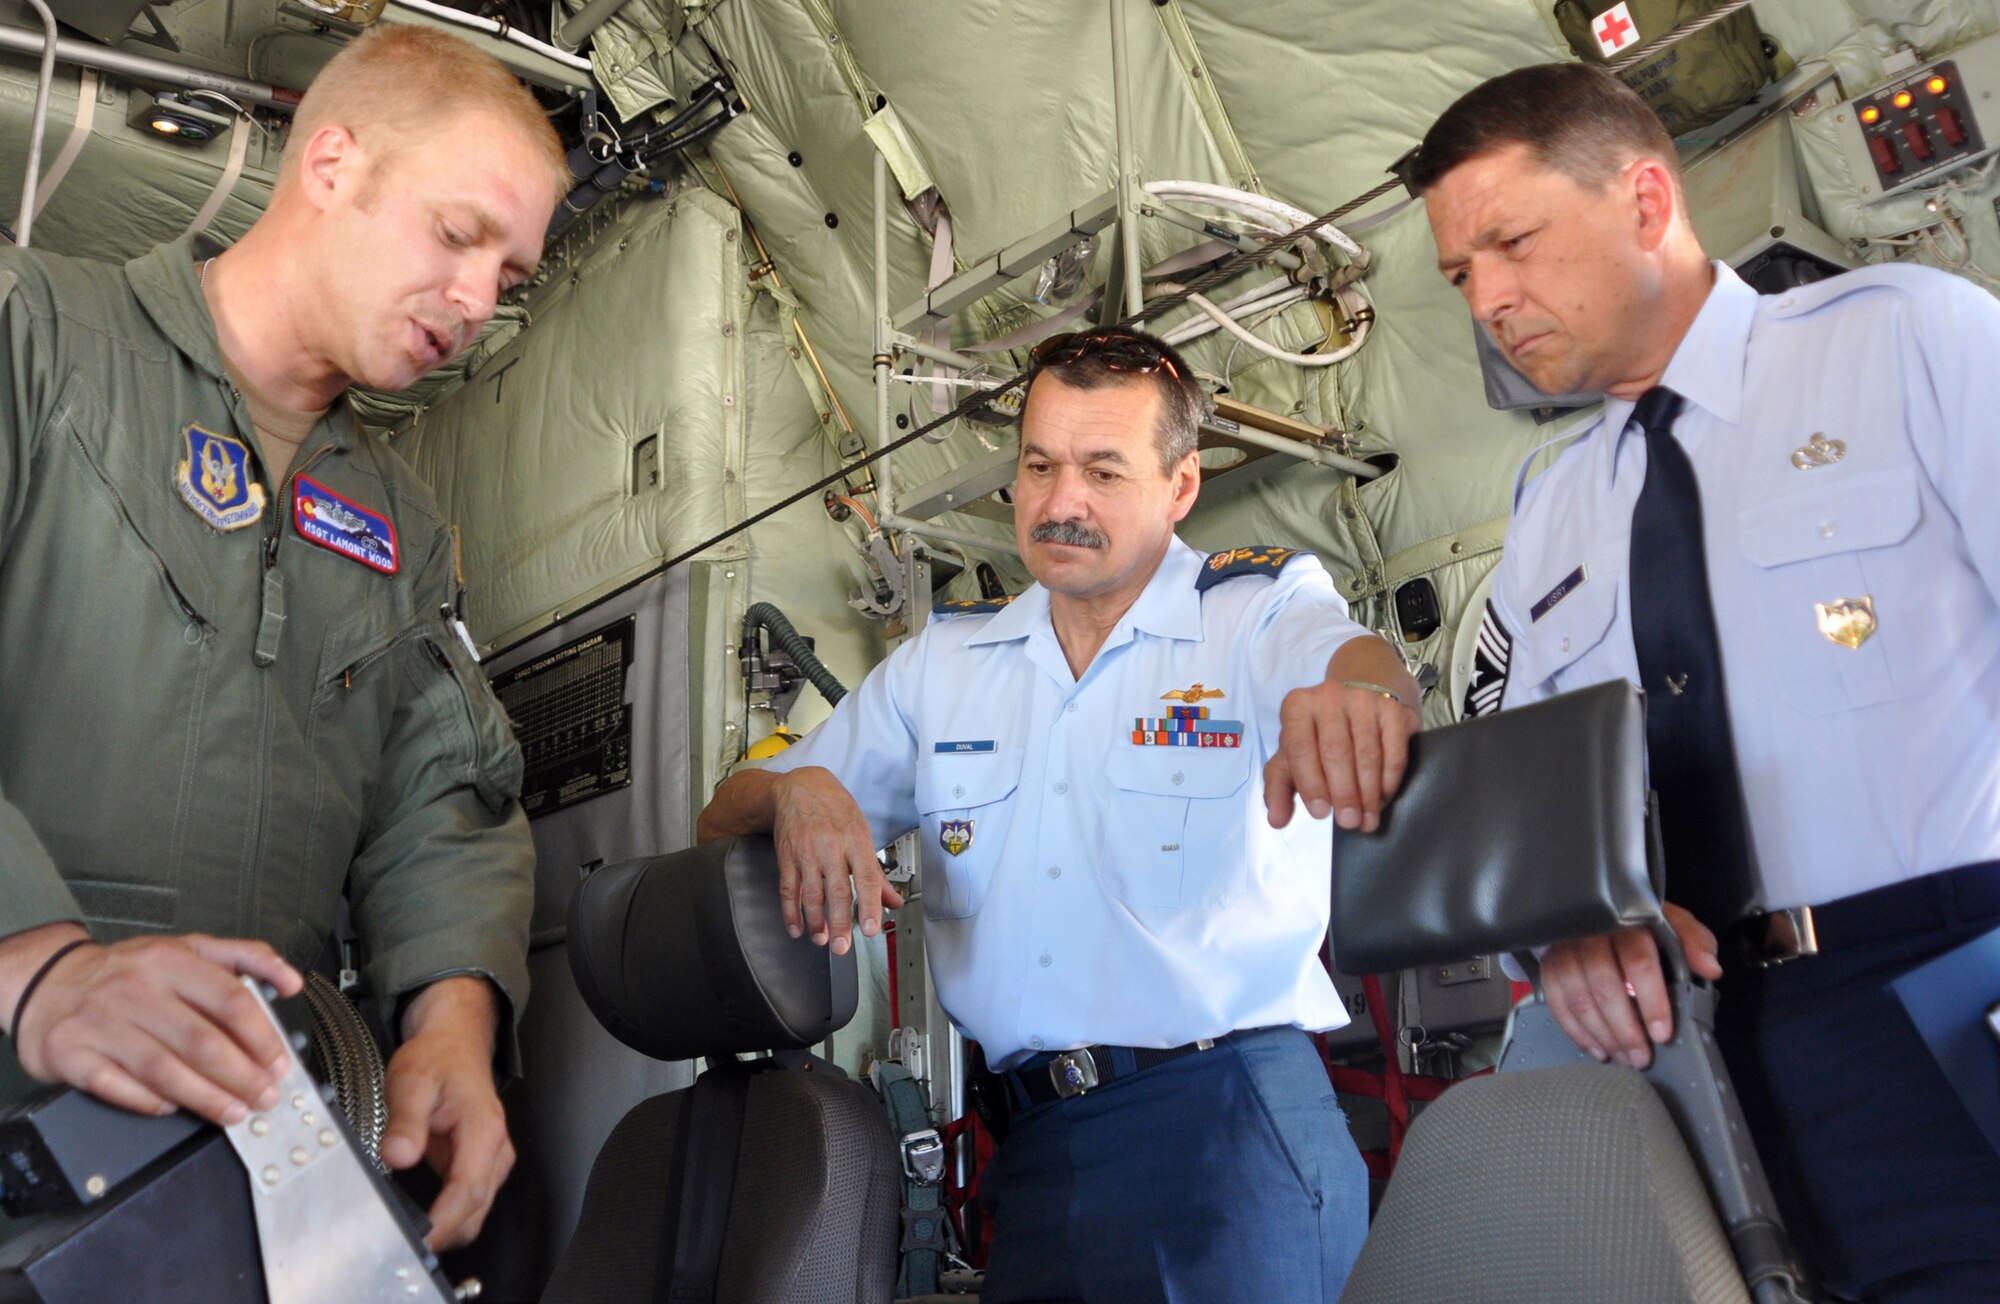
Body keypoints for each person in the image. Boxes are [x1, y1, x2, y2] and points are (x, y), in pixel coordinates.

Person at [1418, 61, 2000, 1300]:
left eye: (1511, 242)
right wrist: (1563, 922)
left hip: (1943, 988)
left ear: (1642, 197)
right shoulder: (1549, 509)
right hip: (1695, 1058)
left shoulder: (1908, 340)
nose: (1490, 298)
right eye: (1461, 275)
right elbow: (1537, 810)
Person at [696, 326, 1419, 1303]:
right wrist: (796, 786)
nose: (1060, 501)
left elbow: (1356, 660)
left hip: (1225, 1132)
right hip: (1034, 1156)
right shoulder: (942, 668)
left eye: (1101, 470)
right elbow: (718, 816)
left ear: (1179, 486)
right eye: (1038, 464)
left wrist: (1366, 702)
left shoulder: (1247, 613)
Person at [0, 25, 568, 1250]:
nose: (476, 301)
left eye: (508, 275)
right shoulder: (38, 338)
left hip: (243, 1192)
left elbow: (445, 798)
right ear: (328, 165)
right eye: (457, 235)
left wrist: (452, 1030)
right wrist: (39, 968)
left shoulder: (398, 525)